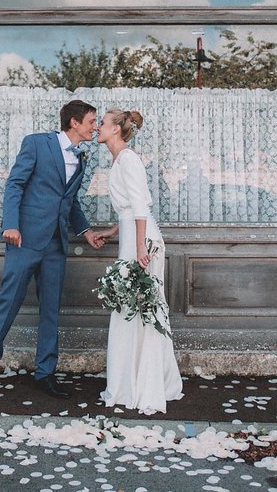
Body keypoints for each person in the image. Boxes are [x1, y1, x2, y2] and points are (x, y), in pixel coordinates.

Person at [0, 100, 104, 401]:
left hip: (56, 244)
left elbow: (69, 202)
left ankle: (45, 373)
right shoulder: (35, 143)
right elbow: (15, 185)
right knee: (8, 303)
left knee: (50, 311)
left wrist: (85, 232)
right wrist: (11, 224)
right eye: (92, 121)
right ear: (74, 122)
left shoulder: (81, 159)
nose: (95, 127)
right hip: (24, 239)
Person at [90, 109, 183, 414]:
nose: (97, 127)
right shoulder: (119, 159)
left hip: (141, 242)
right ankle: (131, 380)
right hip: (132, 236)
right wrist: (113, 230)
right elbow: (129, 209)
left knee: (139, 309)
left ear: (116, 129)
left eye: (102, 123)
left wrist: (141, 246)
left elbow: (141, 204)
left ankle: (142, 384)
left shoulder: (128, 159)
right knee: (131, 308)